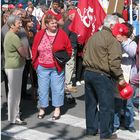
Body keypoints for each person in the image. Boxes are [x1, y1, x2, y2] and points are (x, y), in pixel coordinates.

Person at [83, 15, 126, 139]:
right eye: (117, 25)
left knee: (91, 104)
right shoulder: (112, 39)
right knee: (106, 106)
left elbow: (85, 52)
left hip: (89, 72)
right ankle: (106, 134)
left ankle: (91, 129)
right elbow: (114, 62)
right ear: (111, 26)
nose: (119, 28)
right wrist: (120, 77)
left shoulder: (94, 36)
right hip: (102, 75)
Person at [32, 14, 72, 120]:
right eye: (52, 23)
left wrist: (64, 60)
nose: (55, 25)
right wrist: (36, 64)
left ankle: (57, 108)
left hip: (57, 67)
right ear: (46, 24)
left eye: (55, 23)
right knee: (43, 89)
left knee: (57, 89)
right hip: (42, 66)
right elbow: (35, 48)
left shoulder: (62, 34)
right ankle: (43, 108)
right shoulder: (40, 34)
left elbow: (69, 49)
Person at [112, 23, 137, 133]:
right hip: (118, 76)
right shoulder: (115, 42)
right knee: (117, 103)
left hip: (128, 78)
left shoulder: (132, 43)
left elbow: (132, 53)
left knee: (128, 104)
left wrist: (123, 42)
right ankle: (115, 124)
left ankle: (129, 123)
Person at [4, 15, 28, 125]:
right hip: (15, 67)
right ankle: (15, 117)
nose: (20, 26)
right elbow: (23, 53)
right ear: (12, 24)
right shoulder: (13, 36)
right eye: (18, 23)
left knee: (13, 93)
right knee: (15, 93)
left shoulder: (10, 35)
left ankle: (13, 115)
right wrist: (26, 55)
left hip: (12, 66)